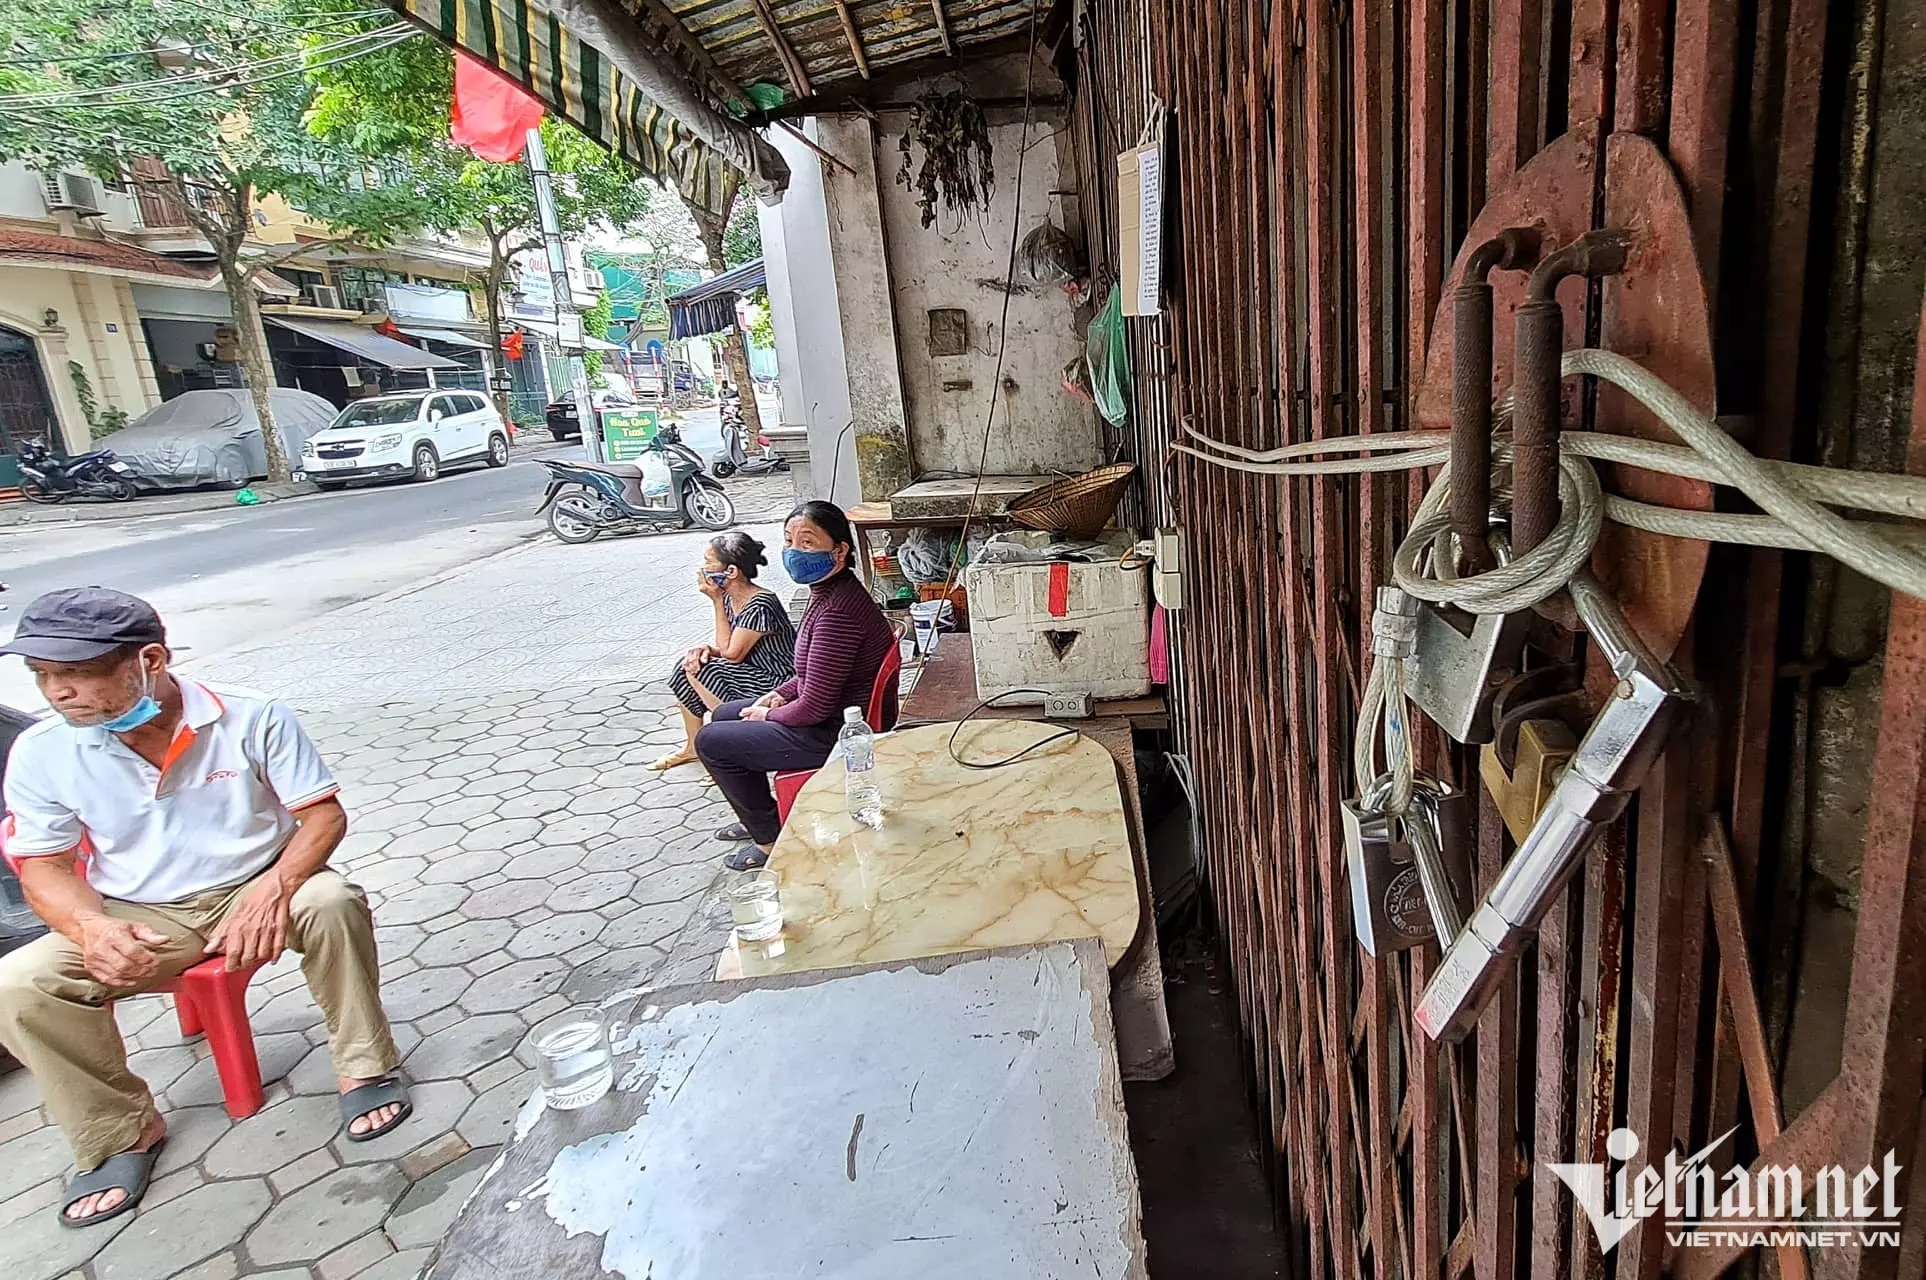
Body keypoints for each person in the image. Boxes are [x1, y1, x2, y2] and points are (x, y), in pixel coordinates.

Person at [0, 588, 409, 1228]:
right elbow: (44, 867)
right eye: (44, 676)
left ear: (150, 660)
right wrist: (92, 926)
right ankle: (120, 1133)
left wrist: (274, 886)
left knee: (332, 900)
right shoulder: (43, 751)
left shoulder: (250, 717)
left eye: (76, 674)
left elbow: (322, 816)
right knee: (19, 985)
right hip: (144, 910)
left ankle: (365, 1067)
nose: (57, 693)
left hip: (265, 882)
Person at [697, 502, 898, 871]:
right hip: (828, 713)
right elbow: (809, 674)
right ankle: (760, 815)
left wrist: (769, 713)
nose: (793, 552)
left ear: (840, 551)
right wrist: (780, 694)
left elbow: (814, 708)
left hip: (836, 733)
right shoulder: (829, 591)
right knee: (725, 713)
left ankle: (770, 840)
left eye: (807, 543)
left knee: (712, 743)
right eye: (789, 541)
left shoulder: (838, 610)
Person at [648, 532, 796, 772]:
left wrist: (715, 601)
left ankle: (731, 747)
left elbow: (732, 654)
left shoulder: (761, 603)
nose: (703, 568)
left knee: (707, 673)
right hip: (753, 669)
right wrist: (705, 649)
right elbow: (733, 645)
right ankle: (693, 747)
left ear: (731, 571)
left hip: (778, 680)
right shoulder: (731, 597)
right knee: (688, 664)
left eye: (709, 562)